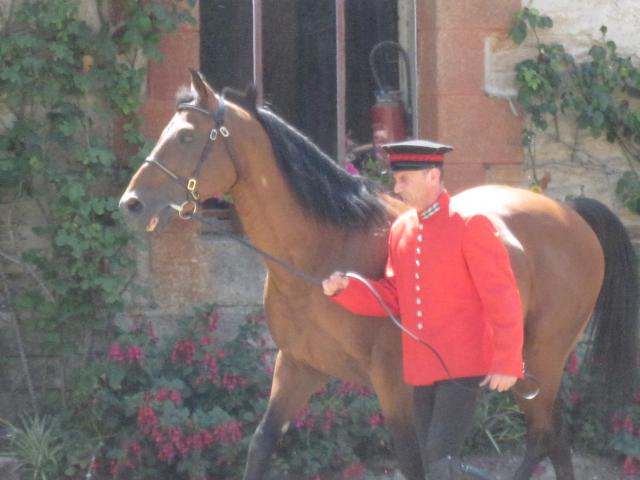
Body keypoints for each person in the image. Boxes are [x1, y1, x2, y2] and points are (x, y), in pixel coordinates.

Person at [322, 140, 524, 479]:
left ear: (433, 176)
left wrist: (507, 361)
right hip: (421, 367)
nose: (396, 188)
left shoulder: (470, 223)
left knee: (441, 461)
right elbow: (394, 297)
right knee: (432, 464)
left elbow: (502, 296)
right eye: (396, 180)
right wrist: (347, 290)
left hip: (463, 365)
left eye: (404, 180)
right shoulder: (401, 229)